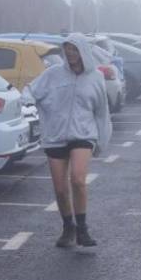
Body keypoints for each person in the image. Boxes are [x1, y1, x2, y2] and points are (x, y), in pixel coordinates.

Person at [30, 34, 112, 248]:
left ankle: (83, 229)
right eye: (67, 49)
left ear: (82, 51)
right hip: (55, 136)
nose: (70, 54)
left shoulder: (95, 77)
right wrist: (19, 103)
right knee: (60, 189)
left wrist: (102, 140)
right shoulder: (53, 74)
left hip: (83, 134)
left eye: (74, 49)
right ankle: (68, 227)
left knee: (77, 179)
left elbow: (102, 112)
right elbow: (31, 92)